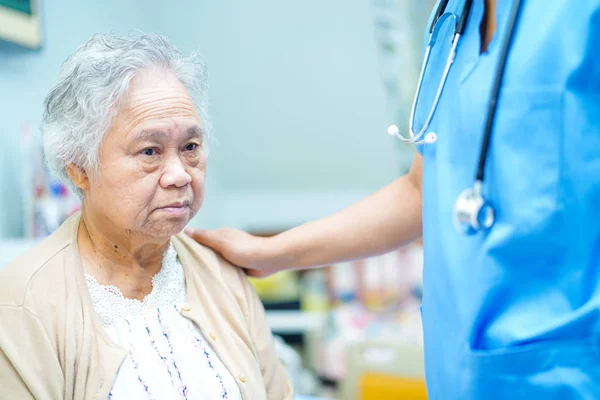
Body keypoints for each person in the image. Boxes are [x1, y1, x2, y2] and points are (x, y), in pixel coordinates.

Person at [186, 0, 600, 398]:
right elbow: (422, 189)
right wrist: (271, 251)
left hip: (572, 366)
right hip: (465, 374)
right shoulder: (452, 17)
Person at [0, 33, 293, 400]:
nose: (180, 174)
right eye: (150, 151)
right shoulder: (21, 303)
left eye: (190, 147)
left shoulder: (222, 274)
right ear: (79, 168)